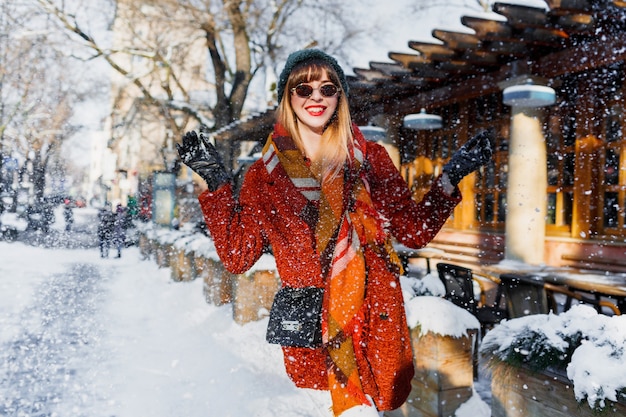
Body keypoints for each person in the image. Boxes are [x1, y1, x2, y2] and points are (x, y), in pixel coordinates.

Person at [177, 49, 491, 417]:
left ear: (340, 96)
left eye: (327, 88)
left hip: (374, 316)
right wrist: (216, 181)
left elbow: (412, 230)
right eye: (303, 89)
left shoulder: (369, 157)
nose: (316, 98)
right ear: (287, 97)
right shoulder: (265, 176)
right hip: (312, 330)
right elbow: (237, 255)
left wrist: (451, 178)